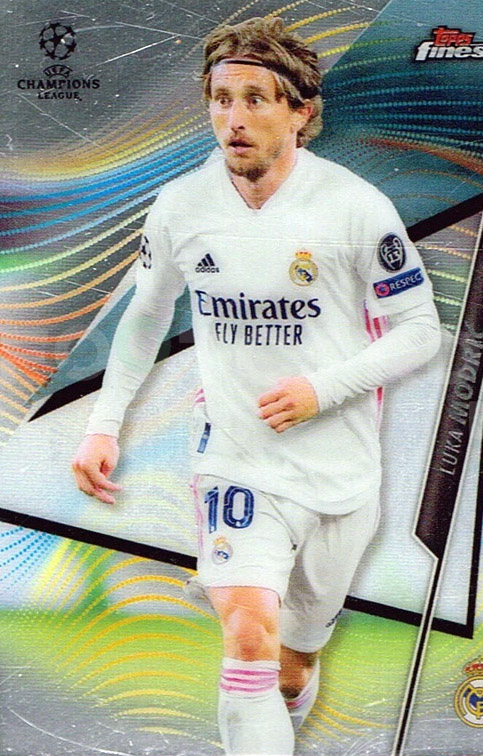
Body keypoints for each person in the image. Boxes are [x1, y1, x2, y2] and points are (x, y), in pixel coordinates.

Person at [72, 16, 441, 756]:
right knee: (247, 635)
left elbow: (419, 330)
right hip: (235, 460)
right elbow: (145, 317)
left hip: (341, 472)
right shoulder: (182, 206)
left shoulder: (355, 206)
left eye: (256, 100)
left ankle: (286, 705)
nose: (233, 119)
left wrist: (322, 390)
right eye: (221, 99)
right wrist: (104, 423)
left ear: (300, 112)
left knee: (291, 664)